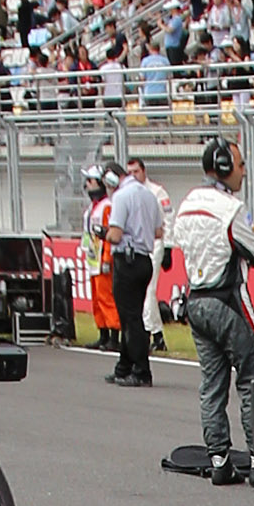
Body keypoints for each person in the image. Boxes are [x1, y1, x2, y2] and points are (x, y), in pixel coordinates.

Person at [171, 134, 254, 468]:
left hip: (195, 302)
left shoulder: (187, 203)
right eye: (240, 165)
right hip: (227, 300)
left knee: (212, 383)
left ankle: (218, 457)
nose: (243, 171)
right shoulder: (231, 209)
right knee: (253, 376)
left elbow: (179, 241)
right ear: (224, 167)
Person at [105, 150, 166, 383]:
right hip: (144, 259)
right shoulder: (149, 195)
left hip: (127, 259)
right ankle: (124, 366)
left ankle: (141, 370)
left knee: (131, 319)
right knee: (131, 316)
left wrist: (104, 234)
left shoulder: (121, 196)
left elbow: (115, 234)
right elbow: (158, 231)